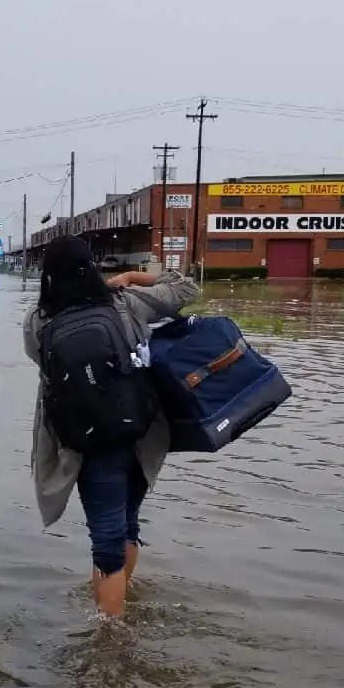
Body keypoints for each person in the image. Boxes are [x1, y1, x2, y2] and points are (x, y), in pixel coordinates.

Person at [22, 236, 199, 617]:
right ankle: (118, 606)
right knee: (125, 526)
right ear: (92, 268)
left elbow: (45, 366)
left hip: (85, 443)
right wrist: (133, 275)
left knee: (106, 542)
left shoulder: (37, 323)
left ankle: (110, 638)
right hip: (140, 432)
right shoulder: (125, 304)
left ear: (48, 277)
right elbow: (187, 288)